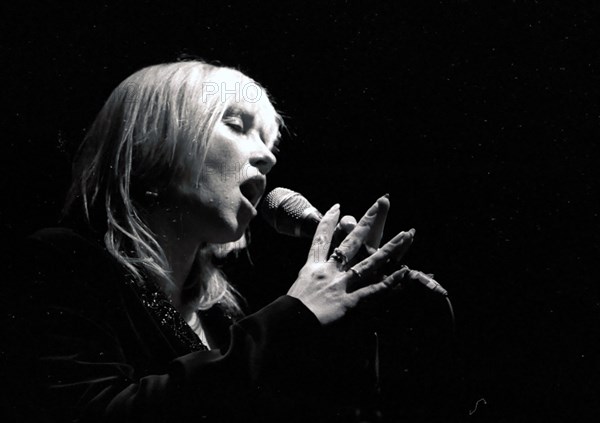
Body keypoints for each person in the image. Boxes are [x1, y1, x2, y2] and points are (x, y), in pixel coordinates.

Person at [3, 60, 416, 423]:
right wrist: (294, 318)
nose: (268, 158)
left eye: (268, 143)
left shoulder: (223, 318)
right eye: (237, 126)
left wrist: (353, 326)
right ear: (155, 138)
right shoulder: (59, 262)